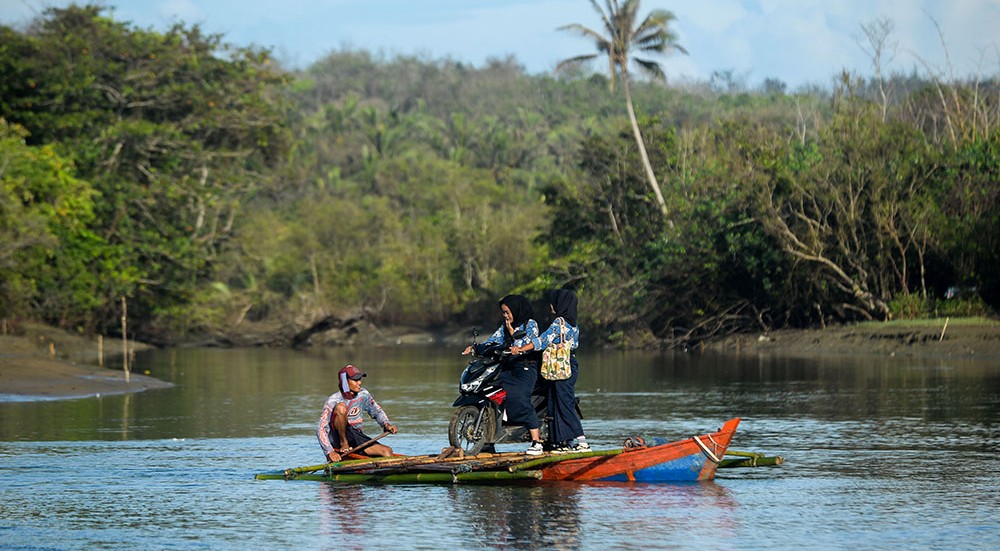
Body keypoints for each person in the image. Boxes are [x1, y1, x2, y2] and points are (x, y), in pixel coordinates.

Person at [463, 294, 544, 455]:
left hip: (525, 369)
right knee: (491, 394)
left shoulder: (530, 324)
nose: (505, 316)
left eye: (507, 312)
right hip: (507, 367)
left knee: (519, 398)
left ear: (516, 310)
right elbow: (493, 340)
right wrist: (475, 348)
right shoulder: (504, 326)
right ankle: (487, 440)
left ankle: (537, 441)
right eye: (503, 312)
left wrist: (512, 332)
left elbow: (528, 343)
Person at [510, 289, 588, 454]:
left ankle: (582, 442)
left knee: (565, 404)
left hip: (560, 366)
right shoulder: (573, 323)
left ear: (561, 305)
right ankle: (560, 443)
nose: (551, 306)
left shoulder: (559, 322)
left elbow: (542, 341)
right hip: (568, 364)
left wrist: (521, 349)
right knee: (554, 402)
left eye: (554, 302)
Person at [317, 364, 398, 463]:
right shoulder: (333, 400)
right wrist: (329, 452)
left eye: (360, 379)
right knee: (341, 407)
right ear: (345, 382)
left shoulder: (363, 395)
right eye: (355, 380)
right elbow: (321, 429)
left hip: (356, 436)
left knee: (387, 451)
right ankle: (344, 444)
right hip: (338, 439)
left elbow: (377, 411)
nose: (359, 382)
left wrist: (386, 424)